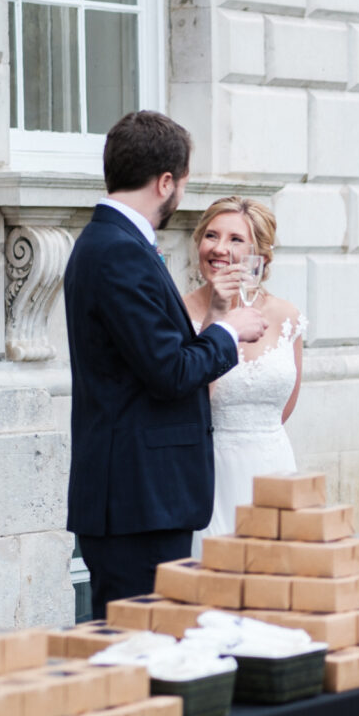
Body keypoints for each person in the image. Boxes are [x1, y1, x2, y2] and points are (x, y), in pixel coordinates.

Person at [65, 111, 266, 619]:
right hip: (138, 501)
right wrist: (228, 332)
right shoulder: (117, 251)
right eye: (183, 182)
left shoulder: (117, 243)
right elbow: (169, 371)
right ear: (166, 182)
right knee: (144, 647)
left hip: (143, 497)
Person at [182, 196, 307, 554]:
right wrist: (217, 318)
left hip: (275, 468)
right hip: (212, 474)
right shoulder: (178, 313)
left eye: (235, 239)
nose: (219, 248)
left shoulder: (287, 316)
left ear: (261, 255)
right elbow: (189, 398)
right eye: (211, 236)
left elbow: (284, 406)